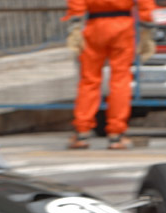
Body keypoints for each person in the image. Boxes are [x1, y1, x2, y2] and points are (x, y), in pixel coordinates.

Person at [63, 0, 157, 150]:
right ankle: (116, 135)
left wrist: (75, 22)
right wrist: (147, 27)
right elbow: (145, 4)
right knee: (120, 80)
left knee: (89, 80)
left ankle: (82, 133)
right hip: (123, 27)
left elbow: (77, 2)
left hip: (94, 26)